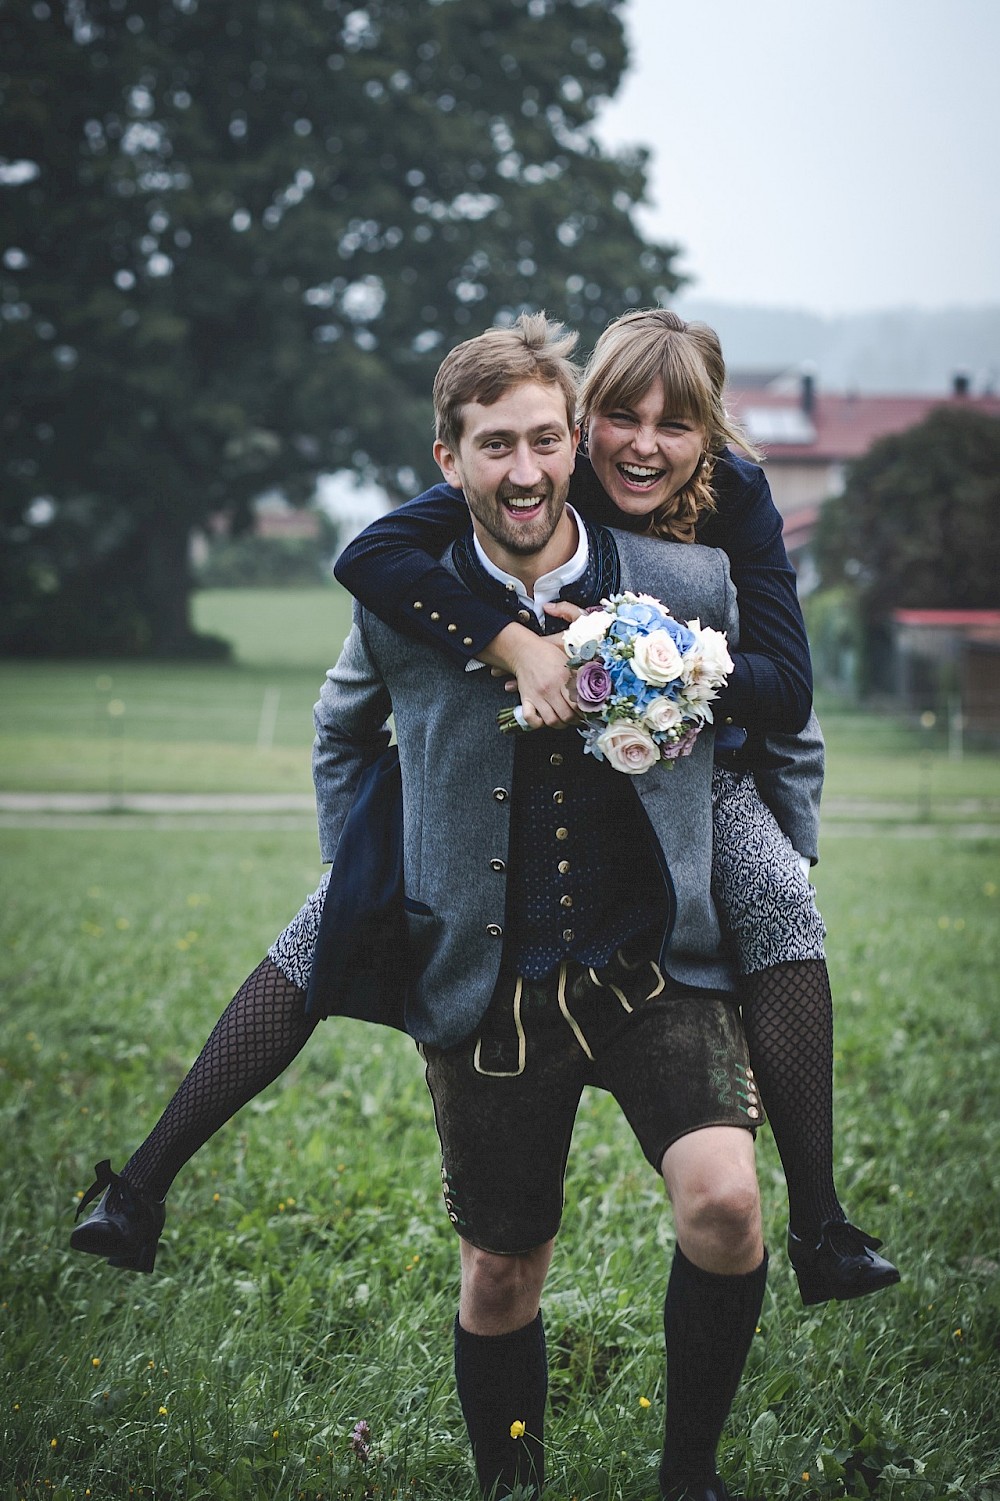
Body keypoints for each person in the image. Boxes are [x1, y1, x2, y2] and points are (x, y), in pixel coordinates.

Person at [76, 314, 768, 1501]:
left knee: (724, 1203)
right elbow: (340, 731)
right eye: (494, 445)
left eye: (546, 439)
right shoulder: (406, 592)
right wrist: (373, 875)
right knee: (501, 1272)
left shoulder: (682, 581)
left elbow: (758, 728)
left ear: (573, 444)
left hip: (649, 965)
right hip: (485, 983)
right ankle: (510, 1488)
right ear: (448, 461)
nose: (526, 470)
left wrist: (751, 868)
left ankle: (687, 1479)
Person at [333, 307, 900, 1306]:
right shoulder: (544, 464)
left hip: (698, 766)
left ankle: (820, 1222)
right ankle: (140, 1189)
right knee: (329, 914)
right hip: (518, 789)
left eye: (674, 424)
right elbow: (371, 560)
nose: (644, 444)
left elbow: (786, 690)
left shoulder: (740, 492)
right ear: (584, 419)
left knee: (777, 899)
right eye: (621, 418)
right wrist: (517, 645)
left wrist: (648, 657)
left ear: (711, 433)